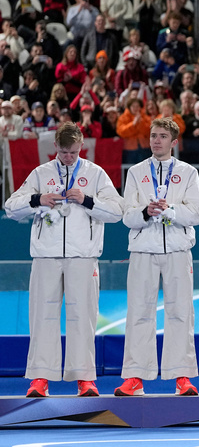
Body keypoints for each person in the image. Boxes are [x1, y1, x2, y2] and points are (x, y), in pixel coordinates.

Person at [4, 123, 124, 397]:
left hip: (83, 256)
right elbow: (11, 207)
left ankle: (84, 379)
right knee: (42, 317)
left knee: (83, 317)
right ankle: (40, 379)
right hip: (46, 256)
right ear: (55, 147)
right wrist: (37, 199)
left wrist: (88, 200)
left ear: (81, 146)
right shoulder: (41, 173)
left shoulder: (95, 174)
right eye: (63, 152)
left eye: (72, 152)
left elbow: (118, 211)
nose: (68, 157)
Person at [115, 118, 199, 397]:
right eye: (153, 136)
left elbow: (197, 215)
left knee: (181, 313)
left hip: (178, 249)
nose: (156, 141)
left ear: (174, 142)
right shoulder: (136, 172)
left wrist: (169, 210)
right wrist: (145, 212)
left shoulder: (188, 172)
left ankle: (182, 377)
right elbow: (126, 217)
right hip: (143, 250)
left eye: (163, 136)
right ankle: (135, 378)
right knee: (139, 314)